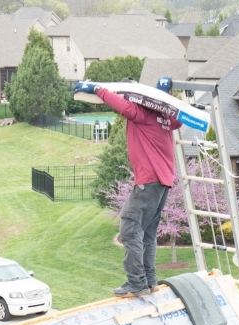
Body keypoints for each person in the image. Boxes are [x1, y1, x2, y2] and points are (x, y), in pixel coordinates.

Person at [74, 80, 182, 297]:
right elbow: (177, 120)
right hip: (163, 183)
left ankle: (137, 282)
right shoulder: (166, 119)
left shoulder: (143, 114)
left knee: (130, 227)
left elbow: (121, 105)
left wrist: (97, 89)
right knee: (148, 234)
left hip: (149, 181)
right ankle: (150, 281)